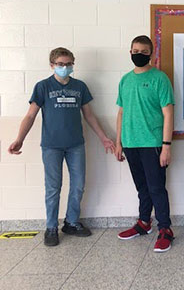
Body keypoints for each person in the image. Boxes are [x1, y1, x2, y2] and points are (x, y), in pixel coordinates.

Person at [8, 47, 115, 247]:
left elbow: (89, 115)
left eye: (68, 64)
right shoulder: (43, 87)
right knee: (53, 188)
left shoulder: (80, 87)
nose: (64, 67)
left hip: (76, 145)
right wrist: (19, 138)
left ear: (73, 64)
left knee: (78, 185)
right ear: (52, 65)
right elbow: (31, 115)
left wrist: (103, 137)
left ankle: (71, 222)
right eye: (60, 64)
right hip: (51, 146)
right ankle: (51, 227)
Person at [114, 35, 175, 253]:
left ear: (152, 54)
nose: (138, 54)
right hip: (130, 144)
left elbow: (168, 113)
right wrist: (119, 142)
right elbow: (121, 112)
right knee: (142, 188)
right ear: (130, 52)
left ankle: (165, 229)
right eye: (135, 51)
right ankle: (143, 222)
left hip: (153, 144)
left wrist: (166, 145)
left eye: (143, 51)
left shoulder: (160, 79)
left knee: (156, 188)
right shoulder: (125, 80)